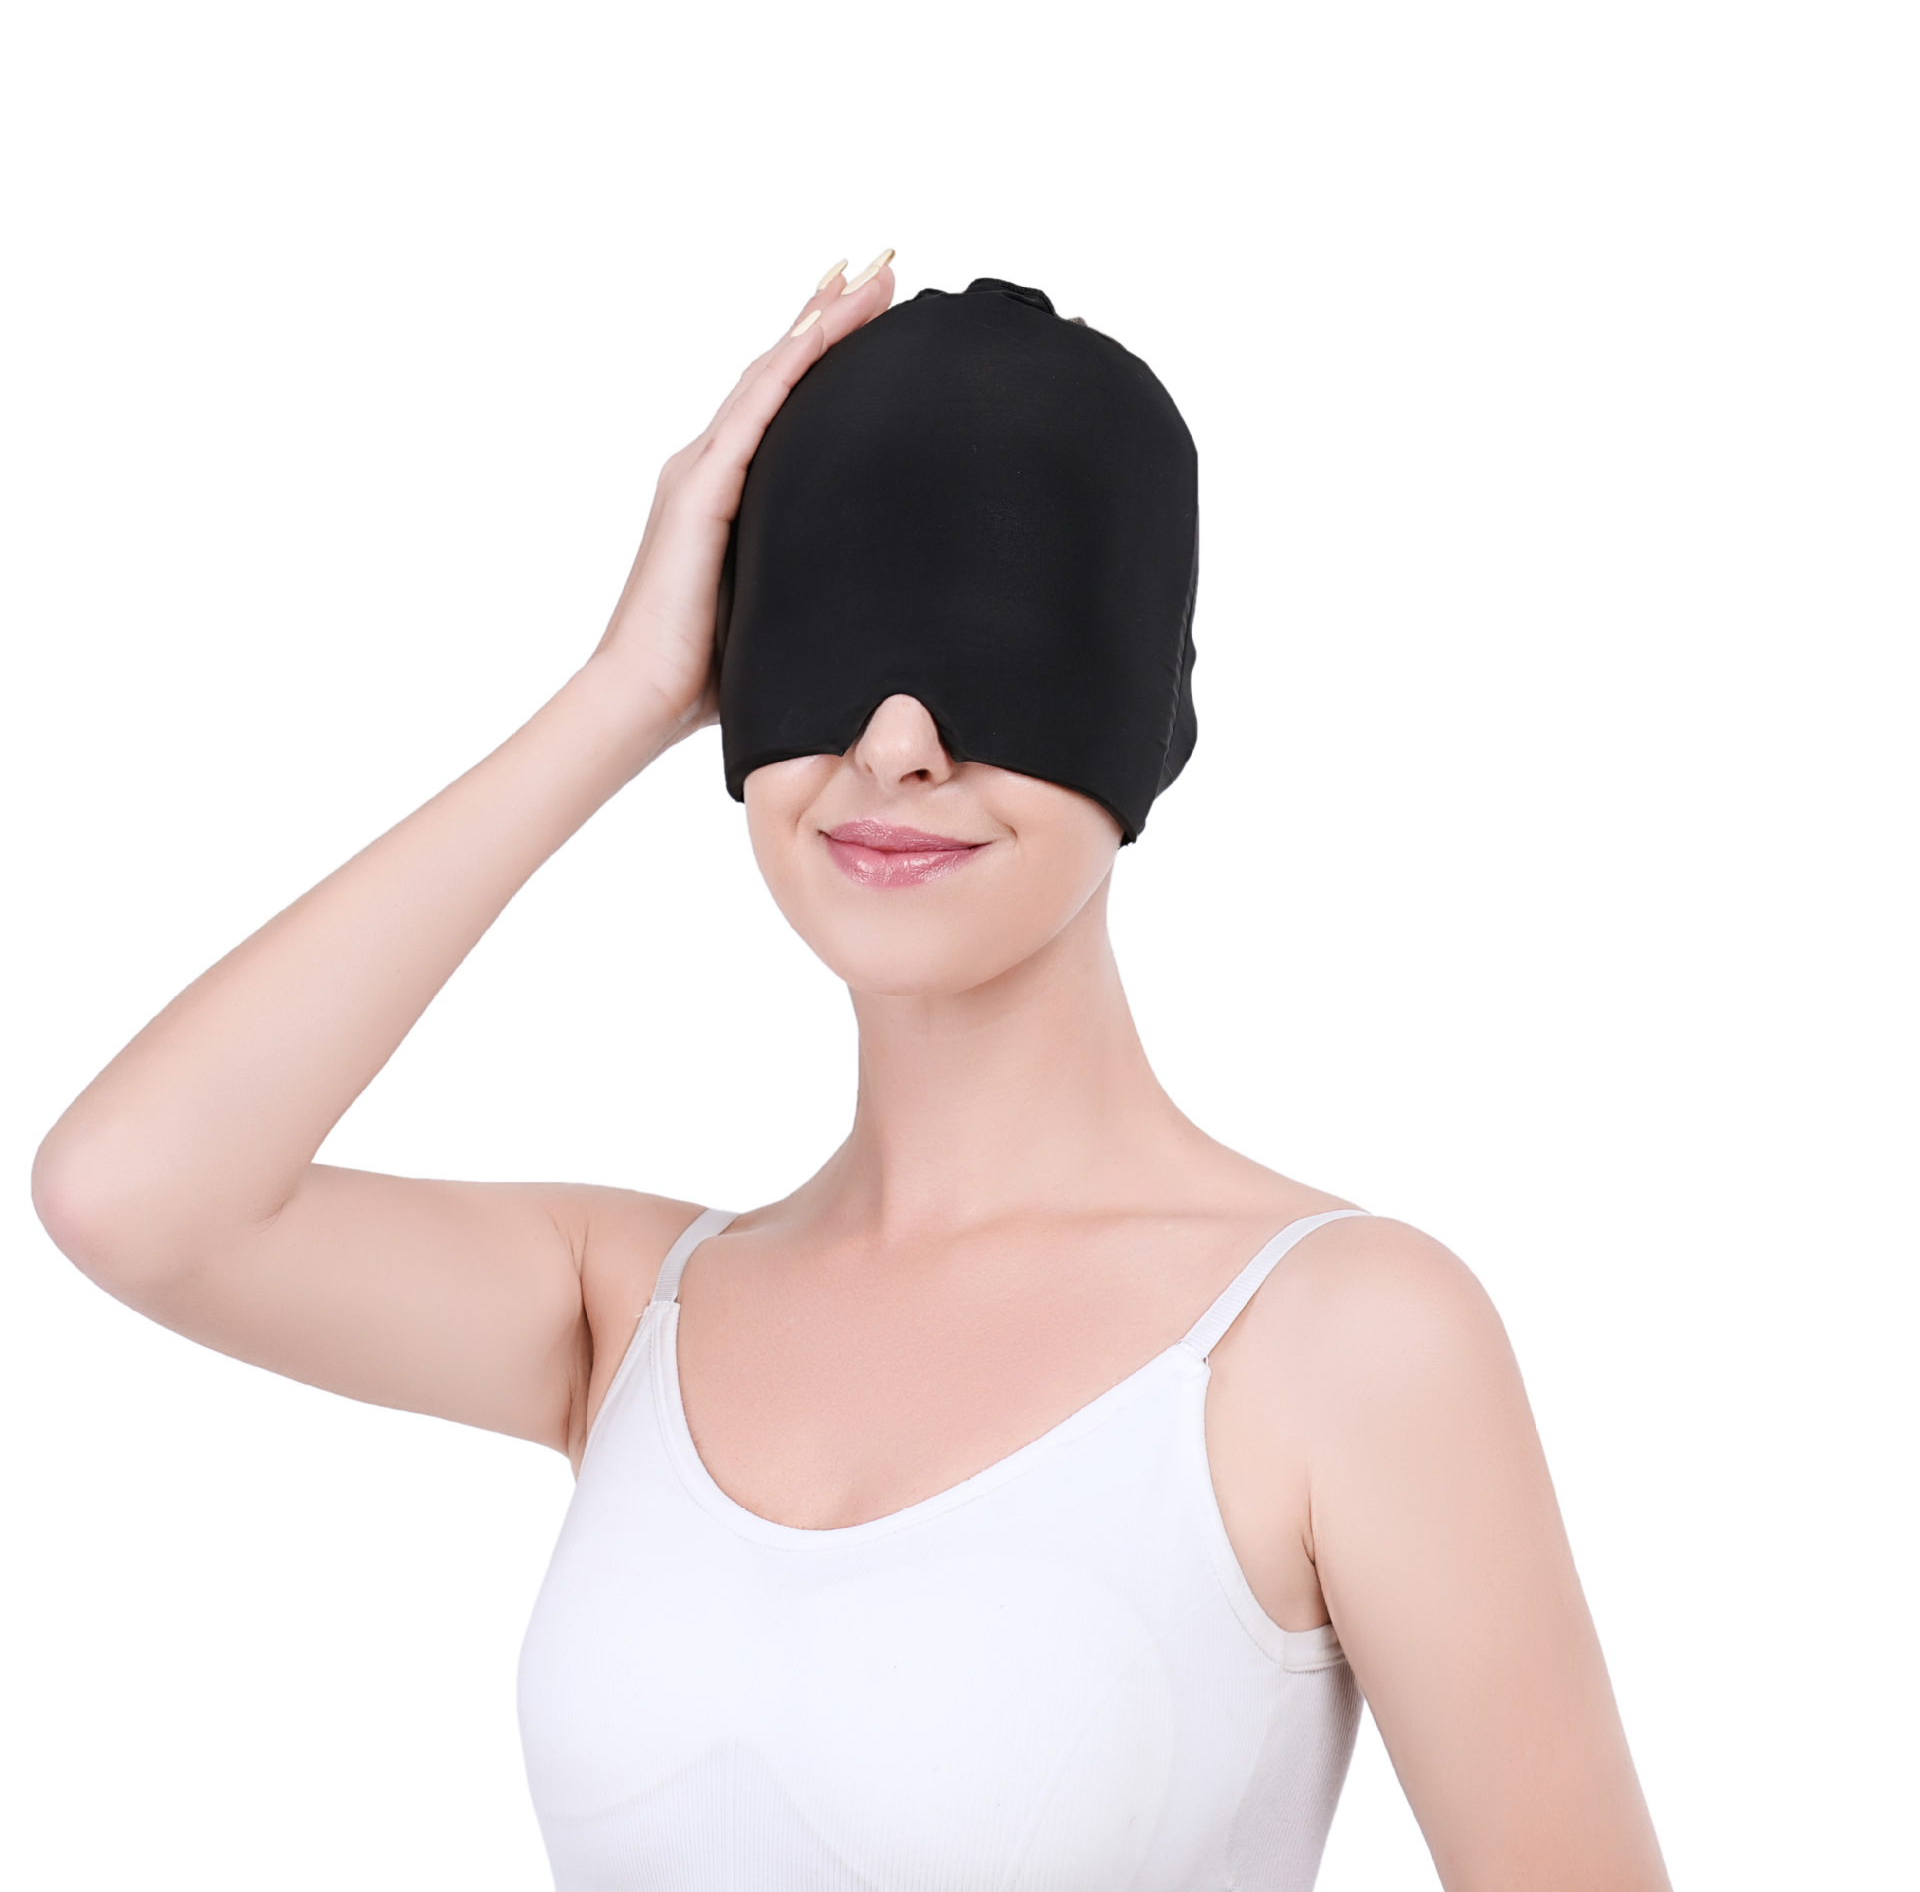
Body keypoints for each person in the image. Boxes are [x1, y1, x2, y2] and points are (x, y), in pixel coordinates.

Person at [32, 254, 1670, 1891]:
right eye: (823, 638)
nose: (896, 745)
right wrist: (618, 696)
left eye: (999, 635)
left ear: (1151, 715)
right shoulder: (633, 1313)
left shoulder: (1336, 1340)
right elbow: (133, 1196)